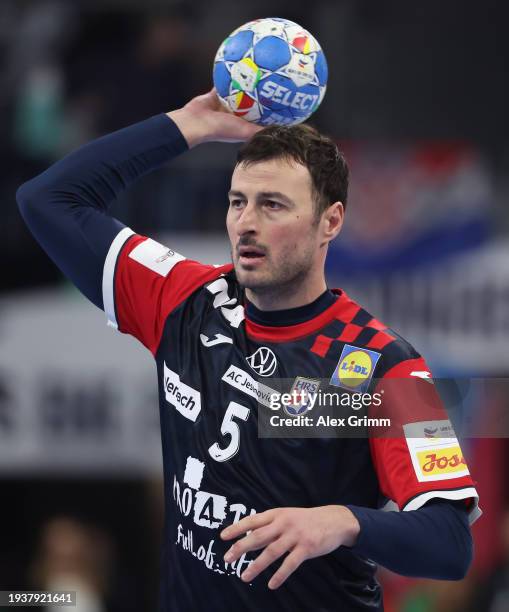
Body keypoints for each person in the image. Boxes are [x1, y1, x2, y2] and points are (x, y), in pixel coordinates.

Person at [17, 89, 480, 611]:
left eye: (273, 205)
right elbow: (47, 200)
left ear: (330, 222)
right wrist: (187, 125)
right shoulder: (185, 298)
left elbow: (451, 542)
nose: (247, 223)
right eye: (238, 202)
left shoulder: (387, 366)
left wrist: (342, 522)